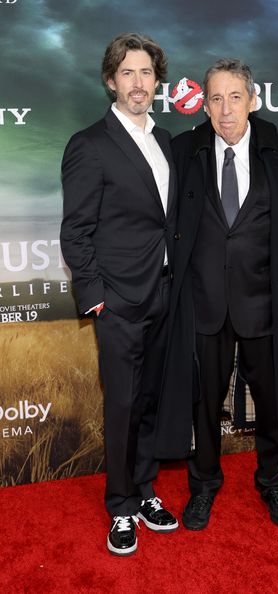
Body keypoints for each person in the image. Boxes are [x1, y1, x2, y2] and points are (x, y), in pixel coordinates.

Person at [155, 58, 278, 531]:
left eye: (235, 97)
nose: (225, 110)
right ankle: (204, 486)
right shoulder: (182, 152)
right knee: (202, 406)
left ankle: (272, 482)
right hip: (203, 307)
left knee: (273, 404)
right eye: (215, 98)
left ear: (253, 100)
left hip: (268, 308)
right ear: (203, 105)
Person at [60, 33, 179, 556]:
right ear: (111, 80)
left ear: (158, 80)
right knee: (124, 405)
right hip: (119, 301)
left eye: (147, 72)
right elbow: (76, 231)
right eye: (127, 73)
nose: (138, 83)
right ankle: (121, 506)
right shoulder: (89, 144)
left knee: (150, 401)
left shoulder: (166, 139)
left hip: (164, 295)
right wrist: (96, 297)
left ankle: (146, 488)